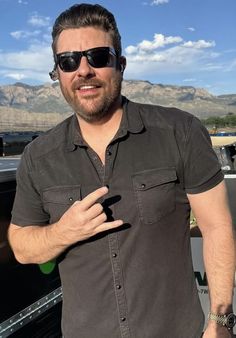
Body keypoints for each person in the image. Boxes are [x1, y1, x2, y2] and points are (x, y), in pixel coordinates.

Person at [8, 3, 235, 338]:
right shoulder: (38, 157)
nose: (83, 70)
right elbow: (22, 246)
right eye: (68, 61)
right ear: (58, 73)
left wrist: (220, 322)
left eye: (98, 56)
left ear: (121, 64)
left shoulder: (179, 131)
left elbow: (217, 228)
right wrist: (63, 233)